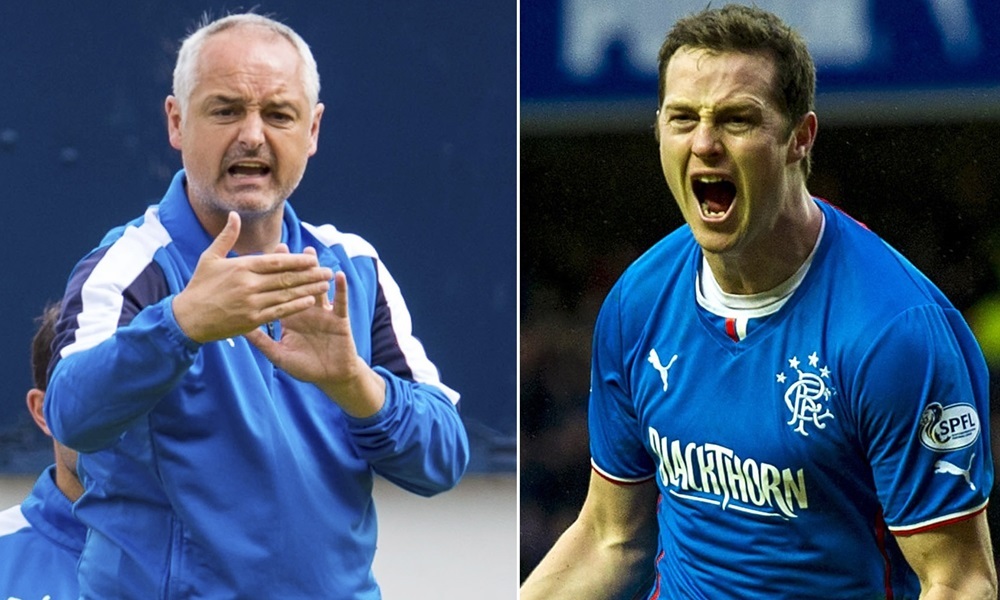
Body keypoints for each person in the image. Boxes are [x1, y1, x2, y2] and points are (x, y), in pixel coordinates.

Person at [520, 4, 997, 599]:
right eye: (682, 117)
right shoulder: (637, 303)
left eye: (737, 120)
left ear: (800, 138)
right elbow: (611, 540)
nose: (704, 143)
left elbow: (961, 581)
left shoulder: (894, 333)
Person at [43, 12, 469, 599]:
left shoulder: (354, 266)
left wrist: (355, 385)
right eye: (225, 110)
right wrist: (182, 325)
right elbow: (69, 411)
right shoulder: (131, 264)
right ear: (176, 121)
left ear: (312, 130)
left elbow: (443, 457)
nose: (252, 135)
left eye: (278, 114)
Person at [0, 303, 86, 599]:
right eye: (89, 396)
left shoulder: (223, 559)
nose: (114, 420)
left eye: (140, 396)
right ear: (43, 412)